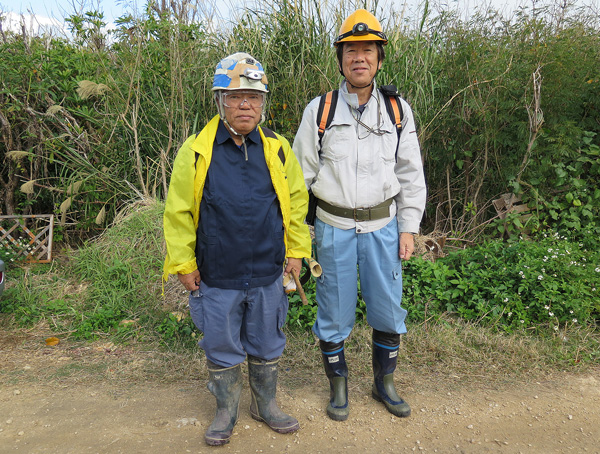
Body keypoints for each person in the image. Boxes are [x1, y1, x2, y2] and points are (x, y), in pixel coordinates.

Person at [163, 52, 312, 446]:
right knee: (221, 343)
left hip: (267, 270)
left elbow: (296, 204)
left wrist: (296, 252)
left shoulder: (279, 149)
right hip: (217, 272)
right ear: (219, 101)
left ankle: (265, 405)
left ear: (263, 103)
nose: (245, 104)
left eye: (254, 96)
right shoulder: (196, 151)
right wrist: (183, 262)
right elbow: (177, 212)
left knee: (267, 341)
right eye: (235, 96)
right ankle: (225, 410)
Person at [293, 10, 427, 421]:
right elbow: (299, 180)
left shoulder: (397, 111)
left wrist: (409, 227)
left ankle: (383, 382)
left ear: (379, 59)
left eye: (367, 50)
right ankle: (338, 387)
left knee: (388, 307)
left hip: (383, 228)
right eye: (351, 50)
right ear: (340, 59)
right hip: (332, 230)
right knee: (333, 311)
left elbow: (410, 173)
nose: (359, 58)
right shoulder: (320, 110)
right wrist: (297, 240)